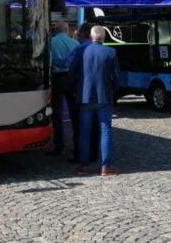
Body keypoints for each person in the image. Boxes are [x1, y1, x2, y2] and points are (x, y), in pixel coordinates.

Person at [75, 25, 120, 176]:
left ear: (90, 36)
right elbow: (116, 78)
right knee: (105, 131)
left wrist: (76, 89)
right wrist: (111, 91)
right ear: (104, 38)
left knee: (84, 132)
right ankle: (106, 166)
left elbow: (72, 72)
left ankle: (83, 165)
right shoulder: (111, 52)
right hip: (104, 97)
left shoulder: (81, 50)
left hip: (85, 96)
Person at [67, 23, 99, 164]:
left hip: (81, 94)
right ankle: (94, 154)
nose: (77, 35)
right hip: (99, 95)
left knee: (79, 126)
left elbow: (70, 68)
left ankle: (79, 155)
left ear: (84, 34)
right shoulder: (106, 50)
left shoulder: (79, 49)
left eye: (79, 33)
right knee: (96, 126)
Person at [48, 21, 77, 156]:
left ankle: (59, 145)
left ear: (55, 29)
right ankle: (77, 143)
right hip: (71, 78)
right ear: (66, 29)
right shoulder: (74, 44)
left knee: (57, 113)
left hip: (57, 78)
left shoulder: (50, 43)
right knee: (74, 112)